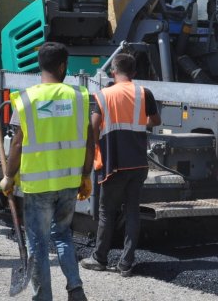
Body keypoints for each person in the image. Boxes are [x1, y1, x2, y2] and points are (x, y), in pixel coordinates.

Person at [0, 42, 94, 301]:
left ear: (40, 65)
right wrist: (86, 175)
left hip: (38, 186)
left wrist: (9, 176)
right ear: (63, 66)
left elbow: (17, 142)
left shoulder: (28, 99)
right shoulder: (78, 97)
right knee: (62, 235)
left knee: (38, 244)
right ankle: (75, 288)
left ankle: (43, 297)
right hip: (68, 183)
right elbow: (89, 138)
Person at [80, 53, 160, 277]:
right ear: (133, 73)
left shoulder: (103, 96)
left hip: (113, 163)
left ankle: (99, 258)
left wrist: (95, 148)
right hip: (138, 163)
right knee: (132, 211)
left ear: (113, 71)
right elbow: (155, 121)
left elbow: (93, 127)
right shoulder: (144, 93)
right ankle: (126, 263)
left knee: (107, 211)